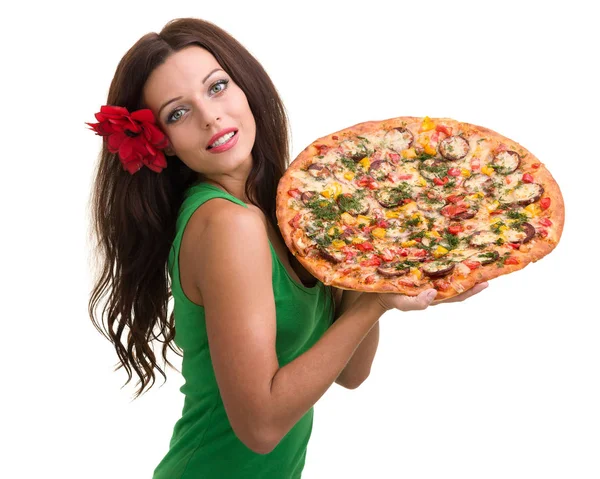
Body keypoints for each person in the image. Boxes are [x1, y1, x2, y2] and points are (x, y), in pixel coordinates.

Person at [87, 17, 488, 479]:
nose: (210, 115)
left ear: (245, 84)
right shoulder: (226, 224)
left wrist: (383, 265)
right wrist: (376, 302)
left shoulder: (286, 209)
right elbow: (261, 427)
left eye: (216, 87)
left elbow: (352, 373)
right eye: (178, 113)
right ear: (165, 145)